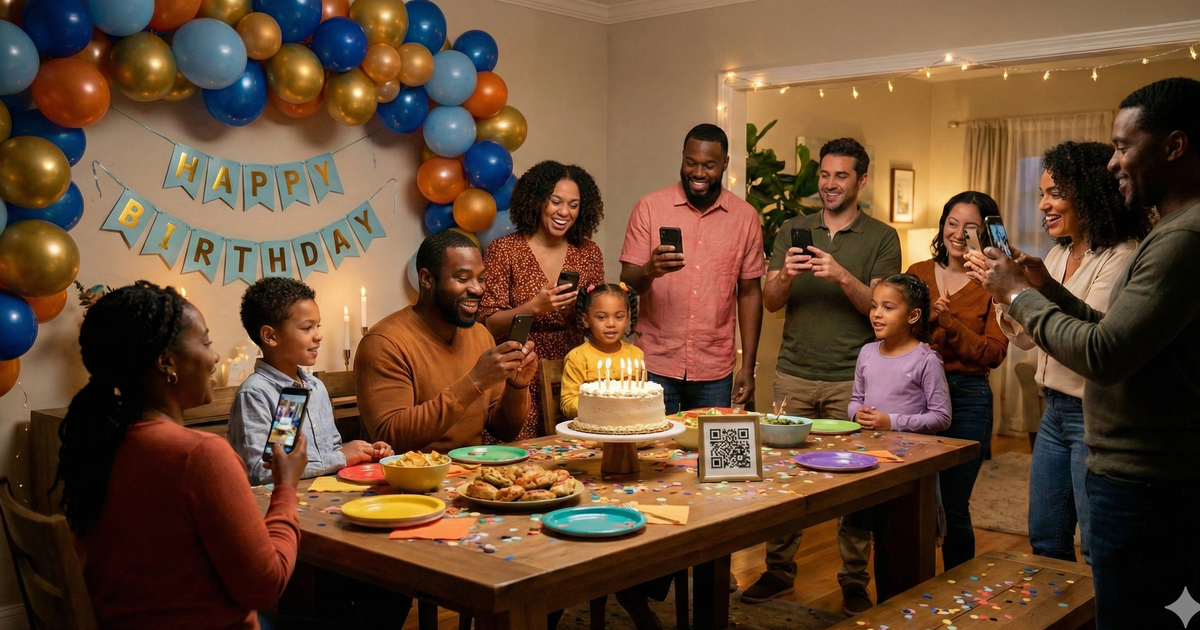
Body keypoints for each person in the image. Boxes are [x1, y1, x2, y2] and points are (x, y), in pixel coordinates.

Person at [966, 77, 1200, 629]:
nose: (1113, 163)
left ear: (1174, 146)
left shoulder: (1178, 239)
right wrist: (1045, 289)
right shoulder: (1170, 232)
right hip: (1106, 446)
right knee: (1054, 542)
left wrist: (1017, 294)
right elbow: (1111, 331)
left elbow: (1103, 354)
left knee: (1126, 600)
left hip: (1146, 474)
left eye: (1123, 147)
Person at [55, 281, 310, 629]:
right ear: (167, 363)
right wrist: (286, 487)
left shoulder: (99, 441)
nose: (214, 356)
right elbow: (265, 586)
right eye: (205, 342)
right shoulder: (200, 455)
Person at [746, 138, 901, 611]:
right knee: (782, 477)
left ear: (861, 180)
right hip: (793, 374)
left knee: (855, 482)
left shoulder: (882, 237)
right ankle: (777, 571)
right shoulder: (791, 229)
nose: (830, 184)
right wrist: (785, 276)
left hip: (853, 379)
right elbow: (770, 301)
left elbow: (880, 308)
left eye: (841, 176)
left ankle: (854, 581)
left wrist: (840, 275)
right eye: (825, 175)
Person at [995, 142, 1148, 565]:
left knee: (1098, 545)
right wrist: (1005, 294)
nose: (1043, 205)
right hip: (1053, 412)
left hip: (1092, 414)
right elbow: (1027, 338)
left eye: (1055, 193)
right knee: (1046, 537)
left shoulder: (1121, 258)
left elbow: (1088, 340)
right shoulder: (1056, 254)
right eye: (1041, 194)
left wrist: (1020, 293)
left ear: (1090, 194)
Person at [619, 123, 764, 414]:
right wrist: (650, 269)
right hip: (655, 363)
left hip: (715, 369)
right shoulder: (649, 207)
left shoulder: (745, 217)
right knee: (654, 442)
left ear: (725, 163)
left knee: (708, 445)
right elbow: (629, 281)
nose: (698, 173)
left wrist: (748, 367)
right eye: (690, 162)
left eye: (709, 165)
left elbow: (749, 293)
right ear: (682, 157)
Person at [355, 230, 539, 453]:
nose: (477, 288)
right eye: (463, 279)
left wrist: (517, 386)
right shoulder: (383, 343)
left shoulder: (480, 335)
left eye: (480, 278)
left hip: (474, 469)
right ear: (427, 279)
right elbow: (391, 438)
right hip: (413, 472)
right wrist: (475, 381)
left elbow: (504, 430)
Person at [906, 191, 1008, 570]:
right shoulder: (917, 272)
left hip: (968, 398)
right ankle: (911, 589)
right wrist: (931, 322)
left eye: (970, 228)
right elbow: (898, 336)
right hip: (914, 396)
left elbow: (994, 352)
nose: (958, 234)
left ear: (984, 234)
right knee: (910, 499)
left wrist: (952, 325)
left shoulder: (993, 284)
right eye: (952, 223)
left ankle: (957, 589)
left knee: (953, 504)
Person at [480, 160, 605, 437]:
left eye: (573, 205)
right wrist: (534, 307)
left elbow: (598, 320)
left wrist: (576, 311)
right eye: (555, 201)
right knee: (518, 453)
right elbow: (486, 323)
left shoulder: (589, 253)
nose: (564, 212)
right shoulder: (504, 250)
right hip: (517, 371)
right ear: (537, 201)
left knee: (574, 452)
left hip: (571, 373)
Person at [229, 277, 394, 486]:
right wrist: (341, 458)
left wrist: (363, 453)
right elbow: (264, 471)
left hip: (325, 495)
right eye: (307, 328)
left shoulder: (315, 387)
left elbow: (331, 451)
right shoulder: (257, 394)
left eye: (318, 326)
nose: (318, 336)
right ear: (270, 336)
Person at [560, 283, 642, 418]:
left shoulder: (636, 355)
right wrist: (600, 406)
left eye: (619, 317)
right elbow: (568, 403)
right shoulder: (578, 358)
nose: (611, 324)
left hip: (629, 423)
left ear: (627, 318)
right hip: (592, 426)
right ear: (586, 320)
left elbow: (643, 396)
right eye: (602, 317)